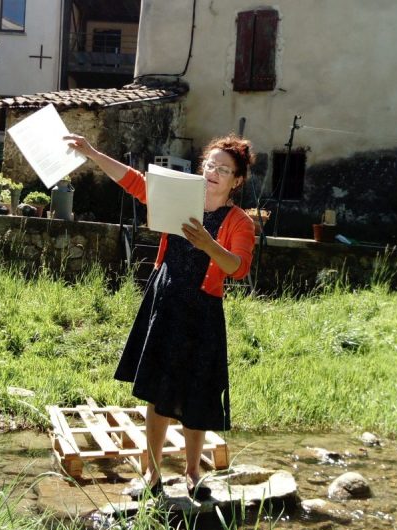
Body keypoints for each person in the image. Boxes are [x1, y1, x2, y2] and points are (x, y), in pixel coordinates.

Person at [65, 133, 256, 500]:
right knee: (157, 390)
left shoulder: (239, 222)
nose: (214, 172)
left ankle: (192, 474)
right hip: (165, 301)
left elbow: (239, 268)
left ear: (237, 180)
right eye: (210, 165)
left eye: (224, 169)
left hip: (202, 312)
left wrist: (209, 244)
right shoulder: (182, 197)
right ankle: (151, 474)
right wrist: (91, 152)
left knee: (198, 395)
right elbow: (135, 182)